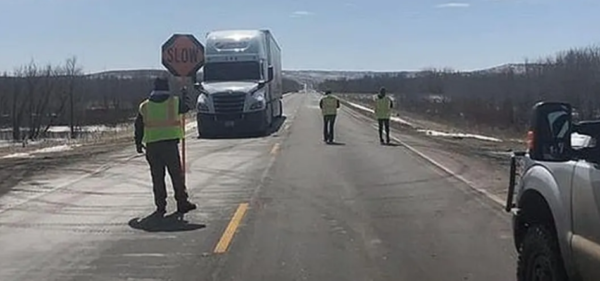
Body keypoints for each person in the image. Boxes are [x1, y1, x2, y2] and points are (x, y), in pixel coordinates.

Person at [134, 77, 197, 215]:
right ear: (166, 88)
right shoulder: (174, 102)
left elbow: (138, 126)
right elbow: (186, 107)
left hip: (152, 147)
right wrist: (185, 95)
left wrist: (138, 143)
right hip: (169, 146)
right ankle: (182, 202)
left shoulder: (144, 106)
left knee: (157, 177)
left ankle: (160, 206)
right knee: (176, 175)